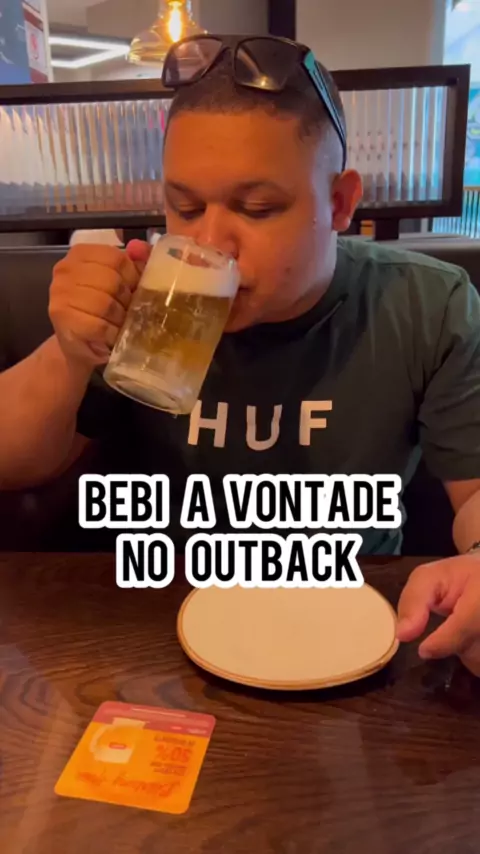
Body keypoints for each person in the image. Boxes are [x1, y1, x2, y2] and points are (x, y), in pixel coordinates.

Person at [1, 35, 480, 675]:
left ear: (339, 203)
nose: (209, 243)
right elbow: (12, 465)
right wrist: (68, 351)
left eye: (256, 208)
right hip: (150, 629)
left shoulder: (427, 305)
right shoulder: (148, 300)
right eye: (185, 206)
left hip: (348, 627)